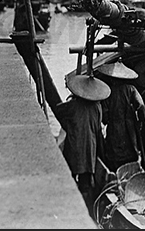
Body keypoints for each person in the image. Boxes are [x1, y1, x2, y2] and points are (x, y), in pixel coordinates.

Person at [55, 73, 110, 216]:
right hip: (89, 148)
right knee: (86, 179)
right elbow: (98, 129)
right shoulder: (97, 107)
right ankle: (88, 212)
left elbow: (58, 110)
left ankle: (73, 206)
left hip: (74, 146)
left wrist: (69, 125)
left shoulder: (72, 106)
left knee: (72, 175)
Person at [95, 60, 145, 173]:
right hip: (129, 131)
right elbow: (141, 106)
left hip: (114, 131)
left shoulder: (108, 93)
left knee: (114, 159)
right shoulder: (131, 89)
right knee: (131, 158)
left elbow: (104, 117)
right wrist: (141, 121)